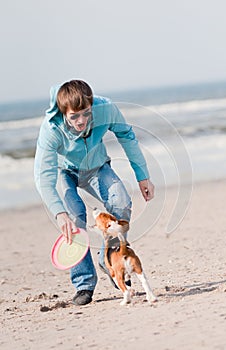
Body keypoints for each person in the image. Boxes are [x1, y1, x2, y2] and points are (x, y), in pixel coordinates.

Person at [34, 79, 154, 306]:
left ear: (92, 105)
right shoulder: (51, 130)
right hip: (67, 172)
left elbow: (127, 136)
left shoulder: (105, 108)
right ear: (64, 113)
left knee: (121, 201)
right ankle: (84, 284)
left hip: (98, 167)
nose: (81, 121)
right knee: (75, 219)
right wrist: (60, 213)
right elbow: (43, 177)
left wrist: (142, 176)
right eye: (74, 116)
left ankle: (108, 262)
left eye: (86, 114)